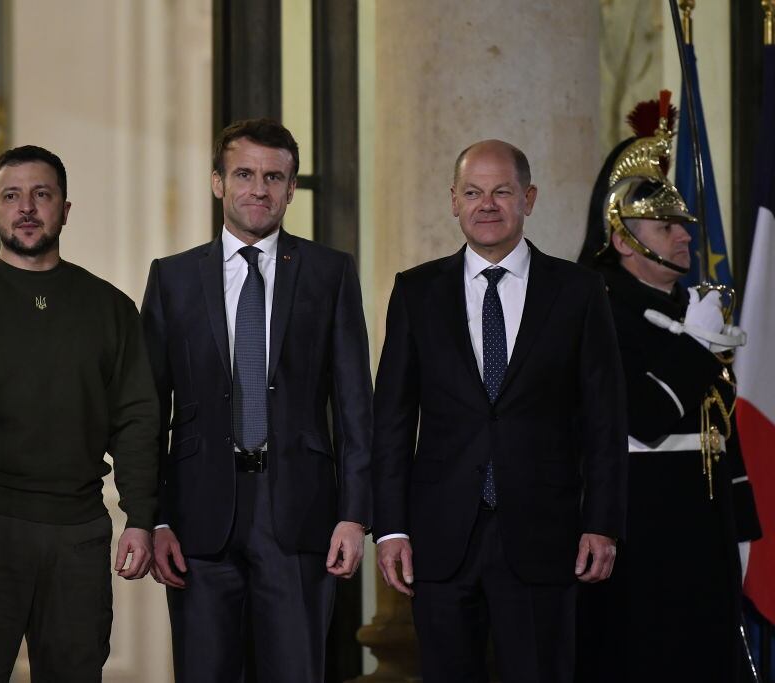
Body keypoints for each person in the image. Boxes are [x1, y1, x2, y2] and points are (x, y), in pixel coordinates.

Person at [0, 145, 159, 682]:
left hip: (78, 533)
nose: (26, 208)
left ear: (65, 209)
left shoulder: (109, 308)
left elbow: (137, 419)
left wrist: (140, 516)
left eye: (42, 195)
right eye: (10, 195)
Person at [371, 139, 628, 683]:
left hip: (545, 535)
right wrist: (390, 527)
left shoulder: (579, 292)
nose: (486, 204)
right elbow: (392, 419)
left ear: (528, 198)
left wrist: (602, 523)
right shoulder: (416, 291)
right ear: (453, 202)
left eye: (501, 191)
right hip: (440, 538)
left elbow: (605, 420)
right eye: (472, 192)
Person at [141, 118, 372, 682]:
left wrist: (355, 515)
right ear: (218, 182)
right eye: (244, 173)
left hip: (299, 510)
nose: (259, 189)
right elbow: (149, 410)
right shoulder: (172, 279)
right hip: (198, 516)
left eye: (274, 177)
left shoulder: (329, 272)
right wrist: (156, 517)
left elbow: (355, 406)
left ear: (292, 189)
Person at [576, 99, 762, 682]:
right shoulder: (596, 309)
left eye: (682, 225)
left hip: (705, 526)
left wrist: (742, 521)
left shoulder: (689, 308)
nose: (684, 237)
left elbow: (718, 424)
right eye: (666, 226)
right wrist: (697, 350)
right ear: (625, 240)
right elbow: (644, 416)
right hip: (640, 528)